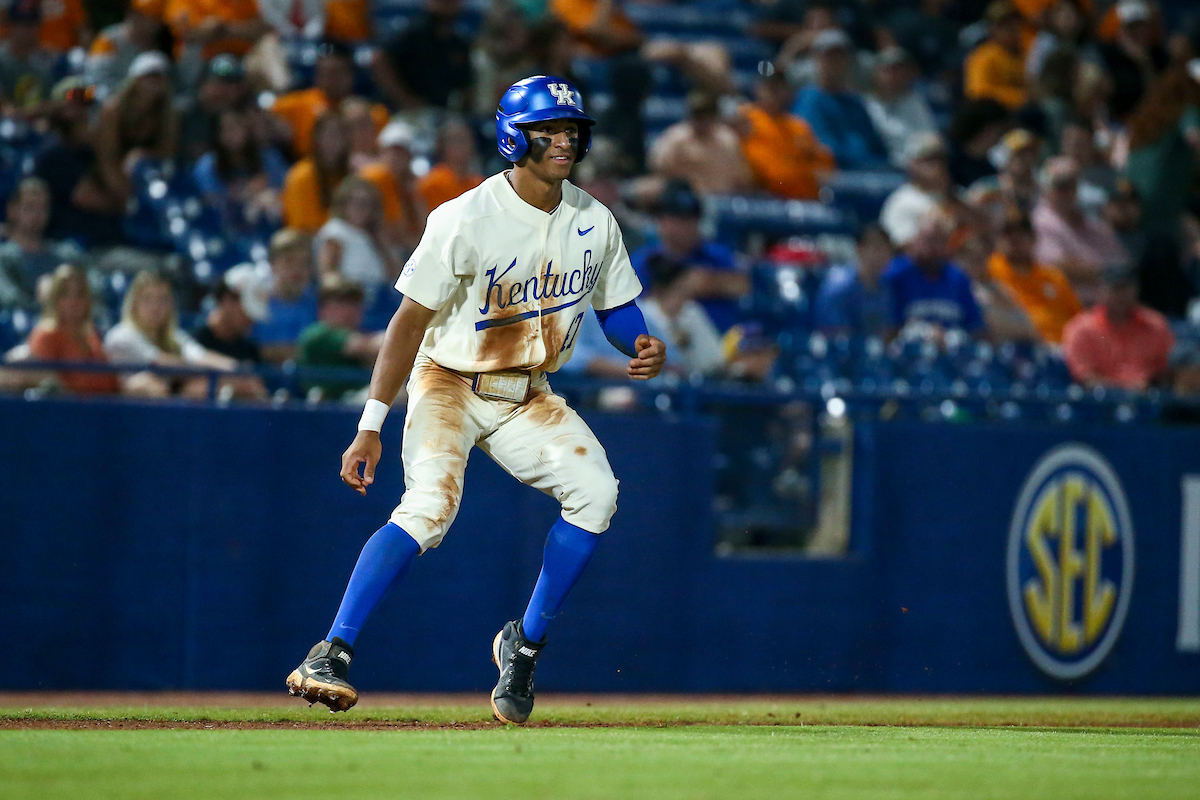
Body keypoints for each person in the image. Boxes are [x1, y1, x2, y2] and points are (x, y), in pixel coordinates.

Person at [285, 76, 666, 724]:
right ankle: (332, 649)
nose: (564, 141)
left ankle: (524, 643)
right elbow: (407, 324)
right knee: (429, 510)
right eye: (549, 130)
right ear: (514, 136)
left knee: (598, 494)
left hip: (528, 393)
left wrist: (642, 340)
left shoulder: (593, 220)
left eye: (570, 130)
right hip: (448, 383)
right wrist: (371, 422)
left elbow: (616, 306)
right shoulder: (464, 217)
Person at [629, 181, 747, 332]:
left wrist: (710, 282)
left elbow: (747, 285)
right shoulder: (645, 260)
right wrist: (681, 290)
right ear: (661, 222)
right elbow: (639, 312)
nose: (685, 227)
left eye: (690, 219)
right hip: (673, 343)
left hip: (726, 339)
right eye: (678, 220)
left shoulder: (715, 254)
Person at [104, 271, 238, 398]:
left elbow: (200, 356)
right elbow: (161, 362)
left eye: (162, 299)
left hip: (166, 402)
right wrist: (203, 370)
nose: (155, 306)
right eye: (147, 299)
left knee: (204, 387)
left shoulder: (173, 336)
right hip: (123, 412)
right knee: (146, 384)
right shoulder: (121, 335)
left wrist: (238, 368)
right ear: (134, 303)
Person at [32, 78, 126, 247]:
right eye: (73, 99)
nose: (80, 107)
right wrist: (123, 205)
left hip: (107, 241)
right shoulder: (52, 151)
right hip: (71, 244)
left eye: (86, 102)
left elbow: (122, 192)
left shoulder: (91, 151)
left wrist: (103, 149)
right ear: (56, 106)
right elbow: (91, 198)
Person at [1062, 260, 1174, 389]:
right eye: (1115, 288)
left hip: (1149, 399)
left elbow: (1165, 371)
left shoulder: (1155, 324)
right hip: (1100, 402)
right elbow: (1085, 378)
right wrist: (1128, 388)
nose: (1121, 295)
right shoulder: (1082, 328)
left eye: (1126, 288)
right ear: (1101, 290)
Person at [1032, 156, 1127, 306]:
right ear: (1045, 189)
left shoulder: (1091, 222)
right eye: (1061, 187)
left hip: (1107, 307)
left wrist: (1113, 274)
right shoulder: (1041, 221)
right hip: (1065, 306)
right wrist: (1107, 274)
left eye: (1072, 186)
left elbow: (1122, 262)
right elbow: (1057, 266)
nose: (1068, 193)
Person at [792, 29, 890, 170]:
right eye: (829, 56)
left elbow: (875, 144)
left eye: (840, 56)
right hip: (835, 175)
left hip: (868, 171)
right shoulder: (808, 99)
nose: (835, 62)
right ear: (816, 58)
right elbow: (822, 147)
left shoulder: (855, 101)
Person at [272, 42, 388, 158]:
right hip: (311, 168)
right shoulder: (298, 103)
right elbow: (263, 116)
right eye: (324, 73)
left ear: (351, 75)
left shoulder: (372, 113)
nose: (330, 80)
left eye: (336, 73)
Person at [93, 52, 178, 206]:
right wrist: (122, 191)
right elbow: (107, 157)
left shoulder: (167, 113)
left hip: (147, 174)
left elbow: (167, 150)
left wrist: (143, 155)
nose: (153, 83)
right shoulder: (113, 111)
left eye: (159, 77)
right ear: (135, 79)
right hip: (112, 176)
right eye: (149, 76)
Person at [881, 211, 984, 337]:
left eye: (941, 241)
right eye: (929, 239)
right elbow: (885, 328)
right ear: (916, 238)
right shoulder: (896, 274)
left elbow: (976, 328)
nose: (934, 247)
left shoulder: (958, 278)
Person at [23, 265, 120, 396]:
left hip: (105, 407)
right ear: (54, 298)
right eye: (64, 293)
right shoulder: (46, 334)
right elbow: (48, 387)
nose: (73, 301)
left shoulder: (91, 333)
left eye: (80, 294)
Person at [987, 211, 1081, 343]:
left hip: (1062, 346)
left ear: (1034, 238)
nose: (1014, 237)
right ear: (997, 240)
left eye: (1022, 231)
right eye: (1007, 232)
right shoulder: (990, 271)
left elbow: (1077, 317)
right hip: (1017, 343)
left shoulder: (1052, 275)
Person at [738, 70, 834, 200]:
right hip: (762, 196)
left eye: (778, 88)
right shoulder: (745, 118)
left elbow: (824, 166)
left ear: (787, 92)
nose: (773, 93)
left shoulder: (798, 127)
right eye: (769, 88)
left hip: (803, 198)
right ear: (758, 89)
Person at [192, 107, 288, 237]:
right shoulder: (206, 166)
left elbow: (283, 194)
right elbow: (210, 205)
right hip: (225, 234)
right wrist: (244, 196)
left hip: (266, 229)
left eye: (237, 126)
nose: (232, 133)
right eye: (226, 128)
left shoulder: (269, 158)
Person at [229, 228, 319, 364]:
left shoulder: (320, 304)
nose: (297, 269)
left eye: (304, 262)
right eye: (289, 261)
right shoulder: (253, 302)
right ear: (272, 264)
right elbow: (248, 350)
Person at [371, 0, 474, 113]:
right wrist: (405, 99)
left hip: (443, 112)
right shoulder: (413, 33)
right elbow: (379, 59)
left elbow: (466, 86)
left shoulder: (459, 44)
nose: (448, 4)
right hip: (406, 114)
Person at [649, 90, 754, 197]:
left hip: (722, 200)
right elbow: (660, 170)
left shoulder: (728, 139)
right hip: (685, 199)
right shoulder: (676, 138)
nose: (703, 121)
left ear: (714, 116)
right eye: (698, 115)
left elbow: (741, 178)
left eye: (707, 115)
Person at [296, 274, 384, 399]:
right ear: (323, 308)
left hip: (353, 401)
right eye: (340, 304)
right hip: (320, 406)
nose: (349, 310)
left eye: (354, 304)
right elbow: (362, 346)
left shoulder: (361, 333)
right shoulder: (317, 334)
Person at [0, 178, 80, 312]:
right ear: (12, 210)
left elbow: (92, 290)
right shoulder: (4, 257)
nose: (36, 215)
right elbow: (9, 299)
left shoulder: (66, 254)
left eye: (42, 208)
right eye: (29, 207)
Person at [315, 176, 402, 295]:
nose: (362, 209)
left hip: (381, 295)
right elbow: (327, 272)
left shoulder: (374, 234)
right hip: (350, 297)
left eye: (368, 204)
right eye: (357, 203)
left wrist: (380, 243)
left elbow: (395, 272)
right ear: (343, 204)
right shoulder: (335, 231)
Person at [814, 222, 894, 338]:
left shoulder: (885, 288)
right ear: (859, 249)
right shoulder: (839, 288)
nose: (881, 255)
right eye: (876, 248)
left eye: (886, 249)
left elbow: (885, 332)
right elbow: (835, 336)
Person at [359, 121, 426, 254]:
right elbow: (390, 229)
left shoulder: (408, 184)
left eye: (402, 152)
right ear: (381, 151)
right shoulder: (376, 175)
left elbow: (421, 225)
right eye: (391, 151)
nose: (396, 157)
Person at [864, 47, 938, 168]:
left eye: (899, 70)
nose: (894, 75)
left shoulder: (915, 102)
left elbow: (930, 138)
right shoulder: (865, 104)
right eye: (888, 70)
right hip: (880, 167)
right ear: (875, 73)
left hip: (916, 166)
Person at [1098, 0, 1169, 121]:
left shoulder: (1159, 55)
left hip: (1154, 122)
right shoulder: (1107, 56)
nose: (1135, 33)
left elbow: (1161, 98)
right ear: (1119, 31)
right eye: (1130, 27)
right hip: (1119, 123)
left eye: (1139, 26)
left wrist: (1144, 64)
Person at [879, 133, 954, 247]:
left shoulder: (958, 195)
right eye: (928, 160)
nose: (937, 166)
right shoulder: (901, 202)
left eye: (940, 160)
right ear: (913, 164)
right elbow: (900, 246)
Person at [282, 111, 351, 233]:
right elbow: (301, 229)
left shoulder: (351, 173)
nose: (335, 139)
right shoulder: (301, 176)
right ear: (316, 138)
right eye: (329, 133)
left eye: (341, 133)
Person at [86, 0, 166, 99]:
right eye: (138, 15)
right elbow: (94, 82)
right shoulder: (108, 40)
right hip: (110, 102)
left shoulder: (156, 46)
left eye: (152, 19)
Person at [178, 54, 249, 163]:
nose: (226, 90)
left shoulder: (244, 113)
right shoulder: (183, 112)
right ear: (203, 83)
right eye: (220, 82)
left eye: (233, 84)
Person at [963, 1, 1028, 111]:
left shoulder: (1025, 52)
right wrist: (1019, 97)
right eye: (1005, 25)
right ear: (992, 28)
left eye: (1015, 23)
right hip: (993, 116)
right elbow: (978, 92)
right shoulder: (983, 56)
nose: (1012, 29)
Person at [0, 0, 57, 115]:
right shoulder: (2, 61)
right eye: (23, 25)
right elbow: (5, 111)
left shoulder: (43, 63)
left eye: (33, 24)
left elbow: (49, 100)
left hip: (41, 128)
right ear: (10, 26)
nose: (29, 31)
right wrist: (37, 111)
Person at [416, 117, 485, 213]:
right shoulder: (431, 183)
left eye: (464, 141)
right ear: (442, 146)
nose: (461, 147)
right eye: (455, 141)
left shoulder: (480, 184)